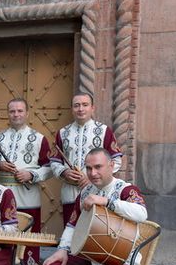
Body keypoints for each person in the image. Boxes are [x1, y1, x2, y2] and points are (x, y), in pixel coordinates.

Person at [42, 148, 147, 265]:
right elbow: (72, 224)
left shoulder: (125, 189)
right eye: (88, 168)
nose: (93, 173)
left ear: (112, 165)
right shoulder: (84, 193)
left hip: (121, 257)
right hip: (90, 256)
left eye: (98, 167)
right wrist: (62, 250)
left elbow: (141, 213)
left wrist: (107, 202)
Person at [0, 98, 52, 265]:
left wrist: (32, 175)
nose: (16, 114)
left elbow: (50, 167)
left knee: (29, 242)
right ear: (8, 113)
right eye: (12, 111)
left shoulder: (39, 138)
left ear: (27, 113)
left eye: (19, 111)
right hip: (2, 200)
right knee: (2, 241)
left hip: (28, 197)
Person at [50, 92, 122, 228]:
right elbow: (54, 162)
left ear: (92, 108)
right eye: (76, 105)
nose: (80, 109)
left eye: (85, 105)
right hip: (70, 194)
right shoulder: (62, 133)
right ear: (72, 109)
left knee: (95, 235)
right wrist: (64, 172)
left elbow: (116, 161)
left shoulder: (104, 131)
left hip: (97, 194)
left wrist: (92, 178)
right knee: (71, 234)